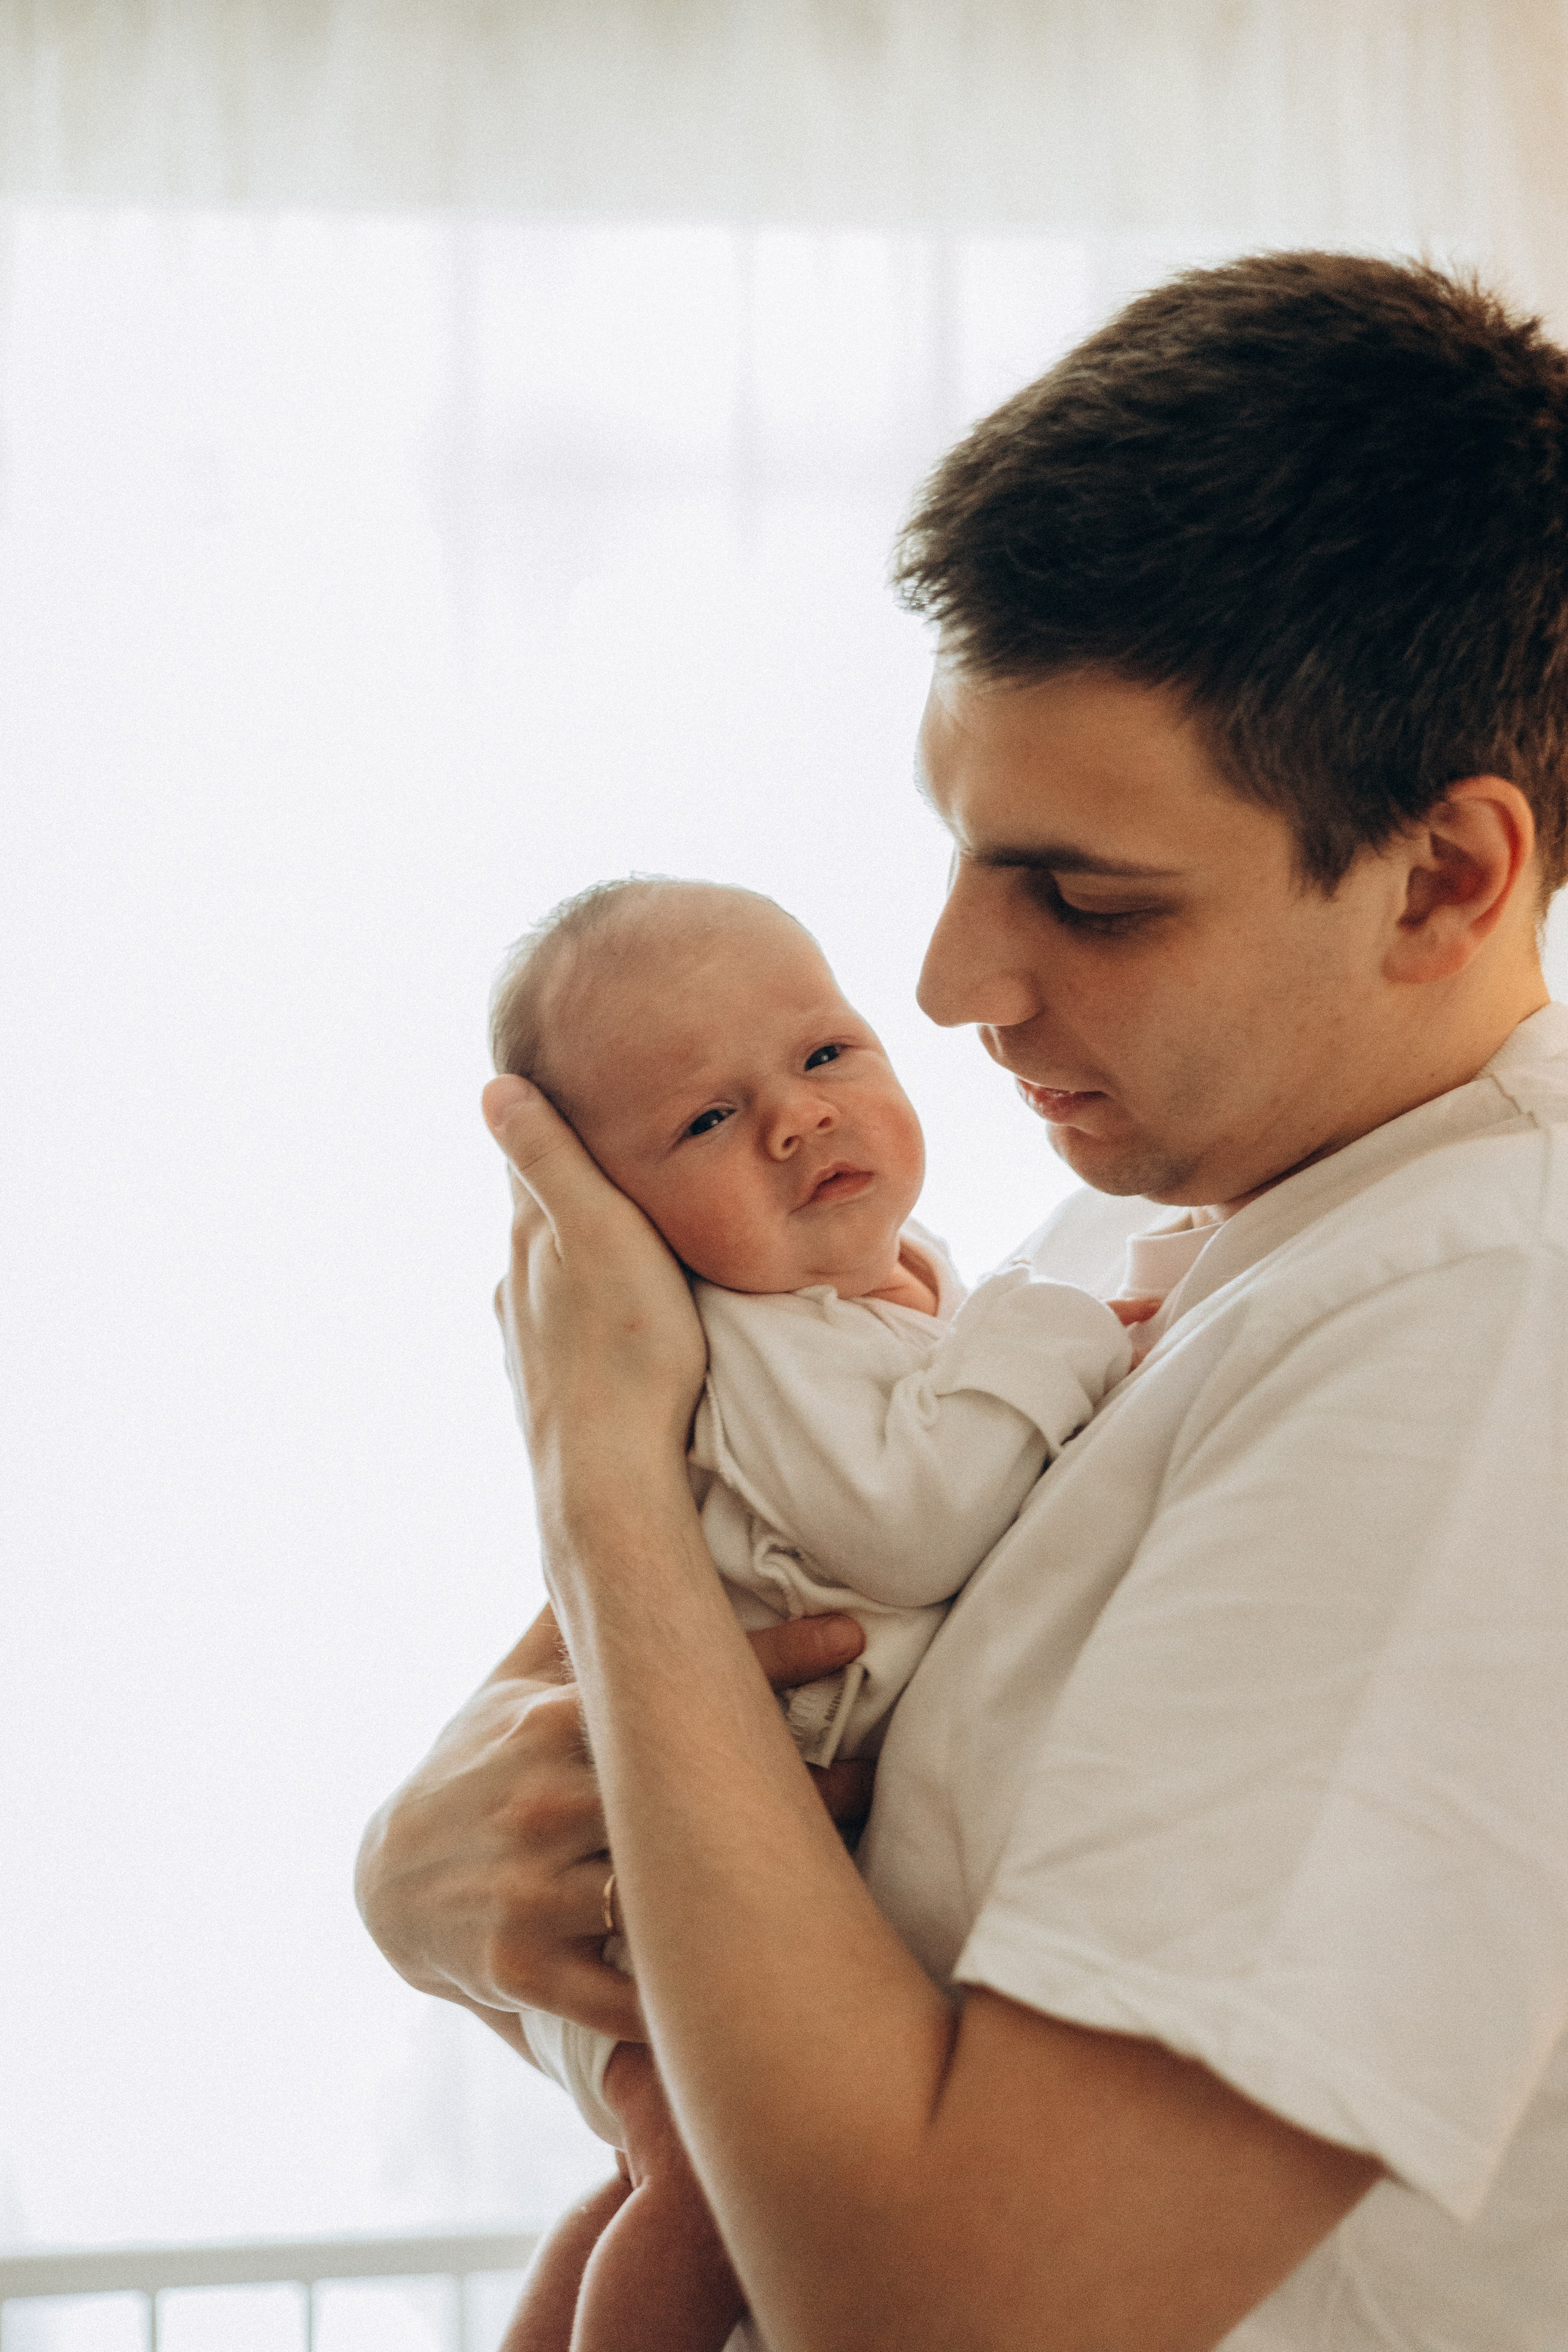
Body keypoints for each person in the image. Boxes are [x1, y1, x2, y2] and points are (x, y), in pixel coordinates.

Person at [356, 252, 1568, 2349]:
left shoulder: (1481, 1333)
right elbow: (702, 1730)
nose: (945, 987)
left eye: (1088, 898)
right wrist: (420, 1872)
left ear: (1448, 879)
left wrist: (598, 1470)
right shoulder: (1126, 1250)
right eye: (961, 844)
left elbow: (955, 2312)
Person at [484, 873, 1137, 2349]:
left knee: (650, 2186)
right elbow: (907, 1524)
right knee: (699, 2197)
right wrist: (1064, 1336)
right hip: (684, 1879)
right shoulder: (753, 1341)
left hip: (742, 1869)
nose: (794, 1117)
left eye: (825, 1053)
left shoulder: (902, 1288)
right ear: (614, 1221)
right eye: (705, 1121)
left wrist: (1031, 1342)